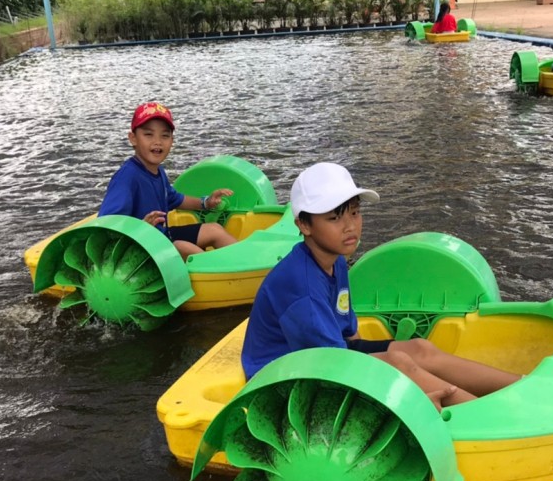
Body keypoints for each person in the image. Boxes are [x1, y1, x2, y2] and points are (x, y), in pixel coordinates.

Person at [240, 162, 521, 410]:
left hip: (323, 356)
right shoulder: (302, 288)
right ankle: (488, 417)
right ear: (304, 225)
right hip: (281, 379)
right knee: (400, 364)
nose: (350, 226)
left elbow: (349, 336)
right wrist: (408, 393)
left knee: (419, 348)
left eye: (354, 213)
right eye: (334, 218)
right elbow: (333, 369)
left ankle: (521, 387)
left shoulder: (334, 259)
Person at [98, 102, 236, 260]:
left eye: (164, 135)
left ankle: (245, 266)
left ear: (172, 141)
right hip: (138, 251)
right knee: (182, 247)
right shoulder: (127, 178)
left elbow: (175, 199)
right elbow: (106, 224)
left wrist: (206, 203)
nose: (157, 141)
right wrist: (140, 229)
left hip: (161, 237)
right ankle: (224, 278)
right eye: (148, 134)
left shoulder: (158, 171)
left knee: (214, 230)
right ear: (133, 138)